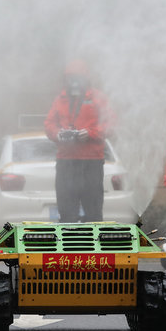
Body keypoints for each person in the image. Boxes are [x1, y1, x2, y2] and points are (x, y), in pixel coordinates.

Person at [44, 59, 112, 223]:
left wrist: (90, 133)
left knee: (93, 211)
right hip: (66, 161)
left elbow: (110, 124)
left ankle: (93, 247)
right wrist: (59, 134)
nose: (74, 82)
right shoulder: (61, 99)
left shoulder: (98, 98)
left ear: (85, 78)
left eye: (77, 77)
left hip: (91, 162)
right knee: (66, 212)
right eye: (70, 78)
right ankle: (68, 246)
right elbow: (49, 124)